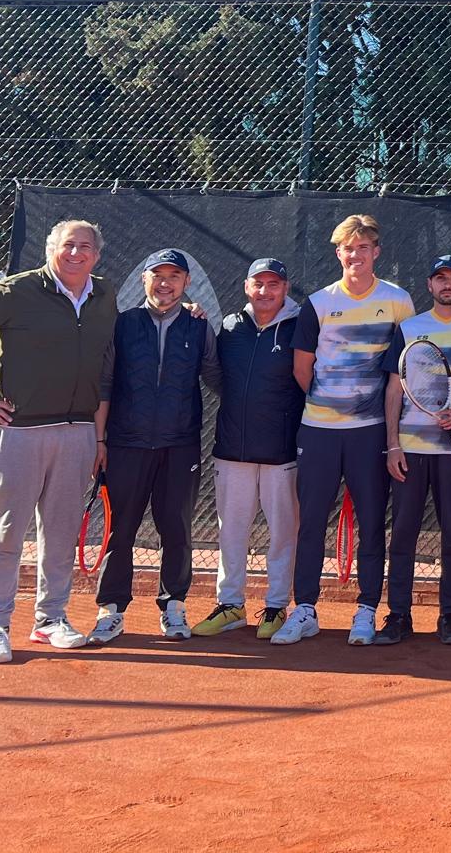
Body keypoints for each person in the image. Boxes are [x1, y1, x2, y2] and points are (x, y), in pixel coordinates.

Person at [0, 219, 119, 664]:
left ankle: (50, 619)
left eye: (86, 246)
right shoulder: (15, 291)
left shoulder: (105, 296)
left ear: (97, 254)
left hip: (76, 432)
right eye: (68, 245)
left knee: (59, 533)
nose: (77, 253)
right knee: (5, 533)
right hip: (17, 432)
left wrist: (97, 436)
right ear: (51, 249)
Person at [272, 214, 414, 647]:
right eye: (348, 248)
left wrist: (366, 413)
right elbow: (302, 368)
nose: (356, 255)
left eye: (364, 247)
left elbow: (404, 369)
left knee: (372, 523)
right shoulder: (318, 303)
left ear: (376, 252)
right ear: (339, 253)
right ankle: (307, 609)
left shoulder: (397, 301)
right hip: (318, 431)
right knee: (310, 521)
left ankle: (367, 609)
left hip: (371, 434)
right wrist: (329, 404)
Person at [87, 248, 221, 643]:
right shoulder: (123, 325)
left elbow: (217, 377)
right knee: (120, 530)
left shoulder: (199, 327)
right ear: (144, 280)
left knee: (176, 529)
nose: (165, 283)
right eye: (157, 275)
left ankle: (174, 607)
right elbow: (106, 385)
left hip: (179, 446)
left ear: (186, 283)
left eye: (174, 276)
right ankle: (110, 610)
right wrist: (100, 439)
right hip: (126, 444)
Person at [191, 258, 305, 641]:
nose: (266, 291)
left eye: (274, 284)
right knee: (231, 531)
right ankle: (230, 605)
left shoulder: (301, 326)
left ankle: (275, 606)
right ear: (246, 287)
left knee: (283, 533)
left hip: (281, 451)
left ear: (285, 288)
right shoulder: (229, 327)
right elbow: (218, 376)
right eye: (259, 284)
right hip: (232, 449)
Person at [379, 254, 451, 646]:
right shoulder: (409, 328)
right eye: (440, 277)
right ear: (429, 285)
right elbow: (394, 390)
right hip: (409, 448)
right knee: (403, 534)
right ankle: (398, 616)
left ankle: (449, 617)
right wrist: (392, 444)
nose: (447, 284)